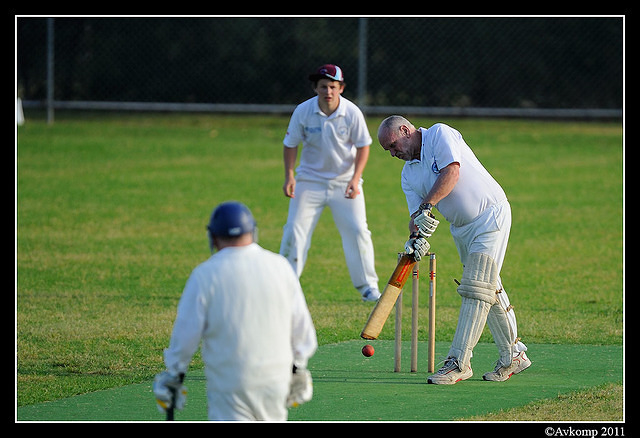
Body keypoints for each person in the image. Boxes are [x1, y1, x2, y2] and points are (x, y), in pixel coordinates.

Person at [377, 115, 531, 384]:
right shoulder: (408, 175)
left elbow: (452, 172)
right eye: (388, 151)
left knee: (475, 287)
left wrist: (428, 206)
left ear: (405, 130)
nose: (393, 154)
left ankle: (459, 362)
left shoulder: (439, 134)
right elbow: (415, 216)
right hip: (461, 229)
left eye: (393, 145)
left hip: (490, 215)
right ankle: (514, 355)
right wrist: (414, 238)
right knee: (487, 288)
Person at [153, 201, 318, 420]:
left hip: (231, 380)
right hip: (275, 378)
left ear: (213, 237)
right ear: (253, 232)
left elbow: (186, 333)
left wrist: (174, 372)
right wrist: (298, 367)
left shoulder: (205, 274)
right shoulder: (280, 267)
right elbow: (303, 330)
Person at [279, 64, 380, 302]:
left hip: (345, 183)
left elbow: (363, 145)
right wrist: (289, 175)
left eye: (333, 87)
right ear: (316, 88)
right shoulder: (303, 111)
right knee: (294, 229)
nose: (328, 91)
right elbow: (290, 144)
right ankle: (285, 284)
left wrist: (356, 179)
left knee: (357, 231)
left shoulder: (352, 112)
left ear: (341, 88)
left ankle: (368, 287)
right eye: (323, 86)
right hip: (309, 181)